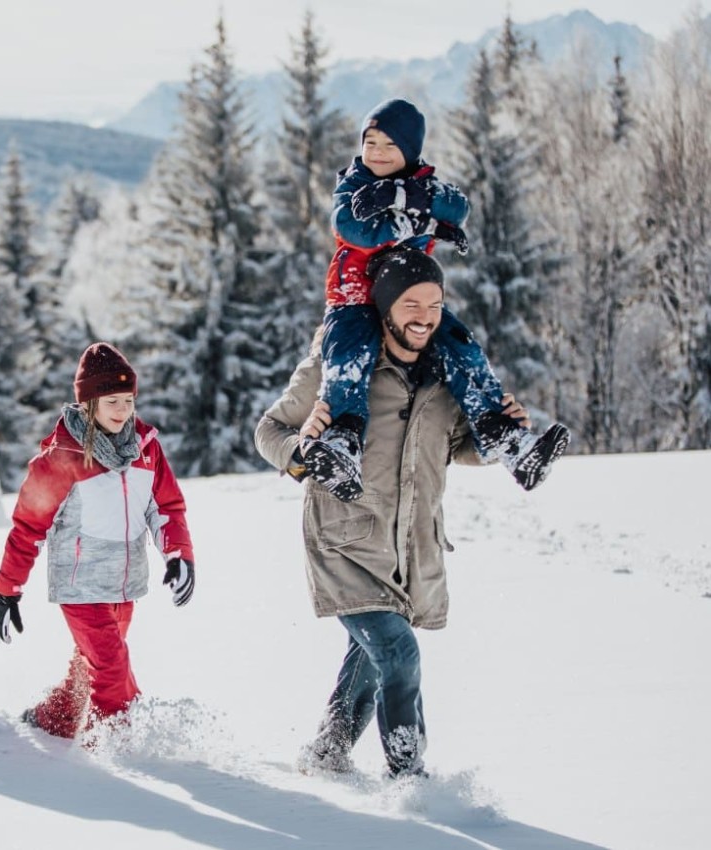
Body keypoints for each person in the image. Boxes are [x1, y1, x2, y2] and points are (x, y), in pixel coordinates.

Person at [256, 248, 534, 779]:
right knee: (397, 650)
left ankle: (326, 753)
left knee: (371, 658)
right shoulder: (338, 367)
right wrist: (305, 452)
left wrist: (497, 441)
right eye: (410, 303)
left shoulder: (445, 375)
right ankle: (408, 774)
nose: (424, 316)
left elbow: (457, 446)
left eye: (434, 303)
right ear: (385, 308)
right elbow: (268, 431)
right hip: (343, 543)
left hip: (408, 548)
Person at [302, 97, 568, 501]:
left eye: (389, 146)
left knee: (459, 345)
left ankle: (507, 437)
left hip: (412, 303)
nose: (376, 153)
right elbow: (356, 230)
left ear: (409, 152)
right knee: (347, 358)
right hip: (354, 297)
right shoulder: (352, 184)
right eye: (370, 142)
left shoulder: (422, 183)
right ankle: (343, 439)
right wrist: (424, 221)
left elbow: (458, 206)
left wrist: (400, 195)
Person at [0, 342, 195, 739]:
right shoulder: (62, 457)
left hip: (124, 584)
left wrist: (178, 555)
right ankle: (113, 753)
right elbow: (28, 527)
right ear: (89, 404)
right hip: (80, 587)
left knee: (91, 665)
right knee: (113, 672)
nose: (122, 411)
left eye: (128, 400)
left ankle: (55, 720)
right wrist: (6, 590)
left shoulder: (146, 450)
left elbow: (165, 507)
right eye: (111, 401)